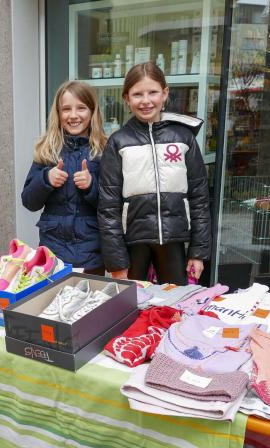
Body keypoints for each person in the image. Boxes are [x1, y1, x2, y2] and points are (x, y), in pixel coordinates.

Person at [98, 63, 211, 285]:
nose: (146, 100)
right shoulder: (118, 142)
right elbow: (108, 208)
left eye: (153, 92)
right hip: (132, 243)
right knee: (130, 306)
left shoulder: (183, 138)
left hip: (174, 241)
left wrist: (198, 252)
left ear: (165, 93)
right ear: (126, 98)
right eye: (137, 94)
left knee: (175, 305)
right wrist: (116, 262)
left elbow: (199, 198)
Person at [21, 81, 107, 275]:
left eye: (81, 108)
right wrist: (46, 179)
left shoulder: (104, 151)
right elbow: (28, 201)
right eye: (66, 109)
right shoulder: (48, 150)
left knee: (90, 303)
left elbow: (111, 206)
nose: (73, 115)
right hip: (53, 253)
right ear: (58, 115)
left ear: (92, 112)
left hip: (91, 254)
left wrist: (92, 186)